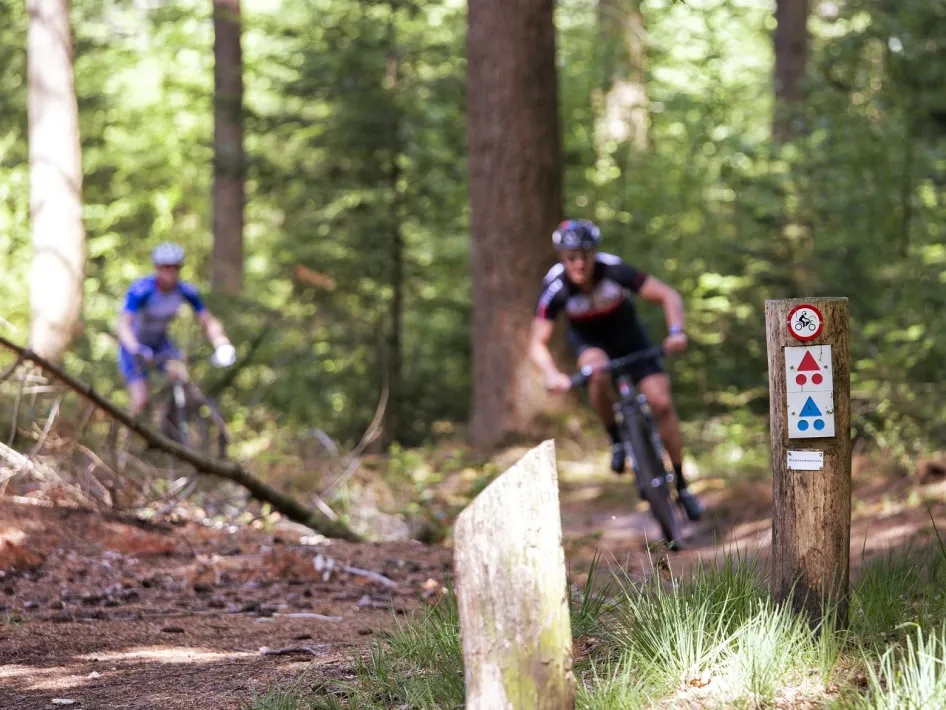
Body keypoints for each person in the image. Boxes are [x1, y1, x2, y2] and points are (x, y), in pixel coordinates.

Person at [528, 219, 703, 521]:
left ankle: (682, 483)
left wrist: (676, 331)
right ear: (562, 257)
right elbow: (536, 343)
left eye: (585, 254)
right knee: (596, 371)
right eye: (571, 256)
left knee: (660, 402)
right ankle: (617, 439)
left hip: (631, 339)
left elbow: (668, 295)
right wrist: (551, 374)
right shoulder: (555, 287)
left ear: (594, 253)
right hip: (592, 344)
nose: (579, 262)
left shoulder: (614, 270)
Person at [116, 242, 236, 417]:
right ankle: (127, 442)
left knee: (182, 381)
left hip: (160, 344)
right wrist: (135, 348)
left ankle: (169, 424)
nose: (170, 272)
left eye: (175, 267)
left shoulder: (185, 291)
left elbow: (207, 320)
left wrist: (222, 344)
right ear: (156, 268)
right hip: (135, 346)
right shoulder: (142, 290)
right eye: (165, 267)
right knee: (140, 400)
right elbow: (123, 325)